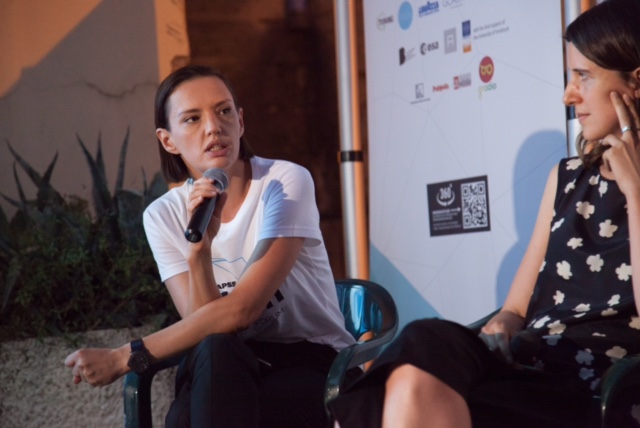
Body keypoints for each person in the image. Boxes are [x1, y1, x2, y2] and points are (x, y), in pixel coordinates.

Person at [328, 0, 640, 427]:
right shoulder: (566, 177)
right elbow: (514, 309)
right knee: (422, 353)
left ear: (635, 83)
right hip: (531, 366)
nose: (568, 95)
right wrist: (501, 329)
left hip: (602, 386)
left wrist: (635, 191)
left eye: (583, 76)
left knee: (411, 386)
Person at [65, 65, 358, 428]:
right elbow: (203, 330)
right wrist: (199, 252)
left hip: (310, 363)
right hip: (225, 363)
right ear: (168, 141)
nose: (213, 127)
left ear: (240, 121)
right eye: (192, 118)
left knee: (195, 415)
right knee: (213, 358)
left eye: (223, 111)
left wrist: (125, 357)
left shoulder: (284, 183)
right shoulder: (163, 216)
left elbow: (243, 310)